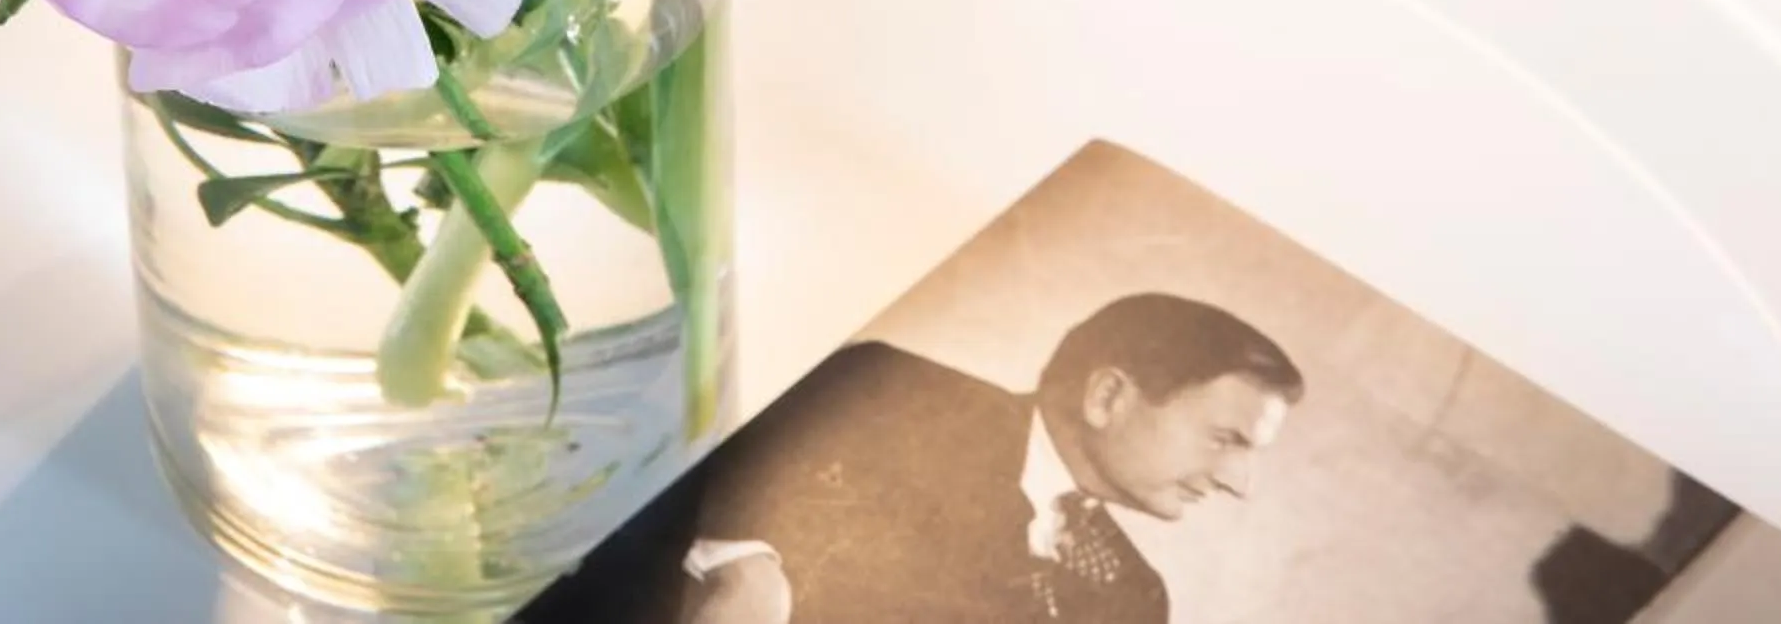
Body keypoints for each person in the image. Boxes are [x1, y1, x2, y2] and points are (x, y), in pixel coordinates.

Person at [522, 294, 1304, 624]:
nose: (1239, 483)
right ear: (1108, 395)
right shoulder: (884, 390)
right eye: (1227, 438)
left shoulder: (1135, 601)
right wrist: (743, 561)